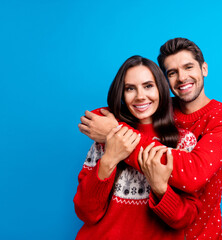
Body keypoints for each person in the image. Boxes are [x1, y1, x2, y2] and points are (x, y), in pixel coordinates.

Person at [79, 38, 222, 239]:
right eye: (172, 73)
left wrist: (116, 137)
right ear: (164, 81)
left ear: (204, 69)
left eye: (188, 67)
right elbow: (98, 118)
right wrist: (110, 152)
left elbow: (193, 174)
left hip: (200, 232)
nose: (182, 78)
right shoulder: (156, 107)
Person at [74, 55, 201, 240]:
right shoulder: (105, 136)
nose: (140, 96)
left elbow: (185, 219)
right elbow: (86, 213)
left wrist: (159, 188)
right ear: (122, 94)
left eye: (148, 86)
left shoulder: (183, 142)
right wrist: (109, 159)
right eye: (130, 89)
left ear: (161, 89)